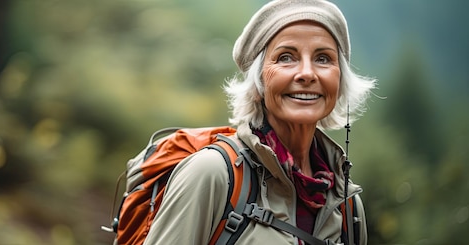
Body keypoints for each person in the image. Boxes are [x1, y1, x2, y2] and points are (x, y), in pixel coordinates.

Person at [143, 0, 376, 244]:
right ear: (258, 83)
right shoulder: (212, 175)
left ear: (339, 81)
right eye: (286, 57)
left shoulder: (348, 206)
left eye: (323, 58)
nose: (307, 73)